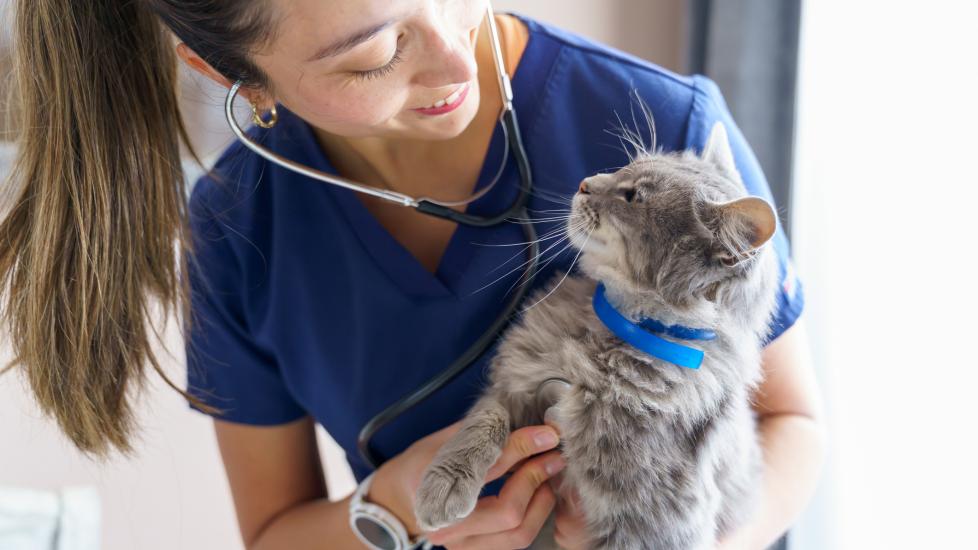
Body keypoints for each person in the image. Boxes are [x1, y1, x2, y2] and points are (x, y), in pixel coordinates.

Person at [0, 1, 826, 548]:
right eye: (378, 55)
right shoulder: (236, 229)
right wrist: (388, 509)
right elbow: (275, 535)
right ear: (235, 80)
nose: (453, 58)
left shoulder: (666, 132)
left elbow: (793, 423)